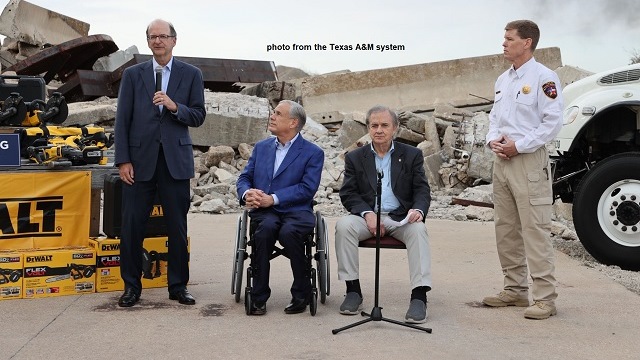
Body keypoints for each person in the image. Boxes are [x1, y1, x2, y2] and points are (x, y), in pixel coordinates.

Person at [114, 19, 205, 307]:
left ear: (174, 40)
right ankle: (131, 287)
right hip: (139, 163)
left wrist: (174, 106)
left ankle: (178, 286)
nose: (158, 41)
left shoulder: (191, 74)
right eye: (153, 37)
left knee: (177, 226)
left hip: (175, 162)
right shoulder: (133, 75)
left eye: (163, 36)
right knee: (131, 226)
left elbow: (198, 116)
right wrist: (123, 160)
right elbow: (122, 120)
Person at [483, 20, 564, 320]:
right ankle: (515, 290)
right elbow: (495, 118)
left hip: (528, 161)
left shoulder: (545, 78)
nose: (503, 43)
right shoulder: (503, 80)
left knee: (535, 230)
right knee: (506, 229)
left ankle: (545, 298)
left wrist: (519, 145)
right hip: (501, 161)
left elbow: (552, 123)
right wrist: (494, 140)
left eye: (509, 38)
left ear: (527, 42)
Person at [335, 105, 432, 324]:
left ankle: (419, 297)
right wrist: (368, 213)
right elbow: (348, 193)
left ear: (395, 128)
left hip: (400, 217)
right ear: (368, 128)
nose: (379, 130)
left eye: (384, 125)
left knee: (419, 230)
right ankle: (353, 291)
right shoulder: (355, 157)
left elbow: (422, 190)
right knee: (343, 226)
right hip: (366, 218)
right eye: (374, 125)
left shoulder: (412, 155)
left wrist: (417, 209)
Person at [236, 100, 324, 315]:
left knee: (289, 232)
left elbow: (307, 188)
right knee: (264, 232)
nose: (272, 116)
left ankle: (301, 293)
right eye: (273, 113)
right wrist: (248, 193)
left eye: (278, 113)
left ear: (293, 122)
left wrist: (273, 198)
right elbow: (245, 177)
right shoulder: (262, 147)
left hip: (297, 211)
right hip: (265, 213)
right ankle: (258, 296)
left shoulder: (313, 153)